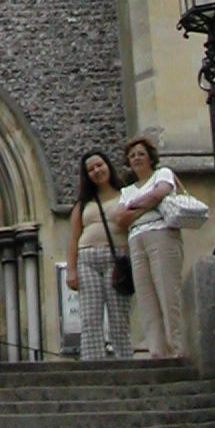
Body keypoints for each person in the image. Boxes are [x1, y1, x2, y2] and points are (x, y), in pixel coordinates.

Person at [117, 134, 186, 359]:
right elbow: (121, 220)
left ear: (150, 158)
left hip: (161, 234)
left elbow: (161, 192)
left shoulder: (162, 173)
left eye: (141, 154)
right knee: (146, 299)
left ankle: (176, 349)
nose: (136, 158)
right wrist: (148, 204)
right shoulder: (127, 190)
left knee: (168, 293)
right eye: (132, 155)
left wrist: (134, 207)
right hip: (136, 240)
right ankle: (156, 351)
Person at [65, 149, 133, 362]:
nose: (96, 171)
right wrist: (71, 270)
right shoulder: (83, 203)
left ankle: (125, 363)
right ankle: (92, 364)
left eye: (99, 165)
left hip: (117, 258)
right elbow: (73, 238)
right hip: (87, 260)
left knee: (119, 317)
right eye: (90, 169)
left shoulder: (126, 194)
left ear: (108, 166)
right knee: (90, 318)